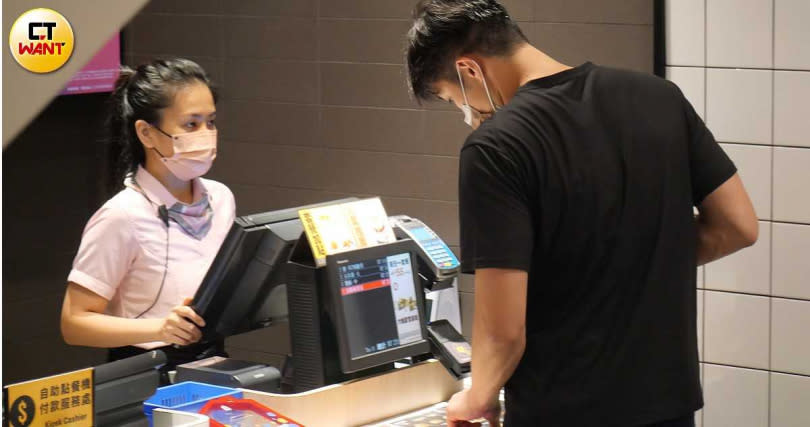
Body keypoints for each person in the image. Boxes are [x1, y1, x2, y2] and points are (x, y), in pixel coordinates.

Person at [405, 1, 758, 426]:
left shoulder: (496, 147)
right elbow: (738, 226)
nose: (467, 113)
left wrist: (477, 398)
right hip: (666, 404)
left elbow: (503, 331)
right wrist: (640, 264)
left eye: (452, 99)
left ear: (469, 71)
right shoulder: (659, 97)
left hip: (561, 410)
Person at [60, 58, 236, 382]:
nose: (207, 135)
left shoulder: (221, 199)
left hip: (213, 367)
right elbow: (74, 322)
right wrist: (161, 327)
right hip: (143, 376)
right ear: (147, 133)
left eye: (210, 122)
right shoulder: (121, 216)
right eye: (191, 124)